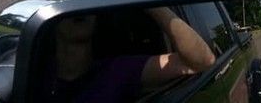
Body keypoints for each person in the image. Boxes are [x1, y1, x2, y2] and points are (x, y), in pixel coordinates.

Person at [46, 7, 216, 103]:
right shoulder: (33, 74)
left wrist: (153, 4)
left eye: (87, 7)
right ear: (50, 21)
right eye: (69, 9)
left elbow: (202, 60)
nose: (79, 12)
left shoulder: (119, 71)